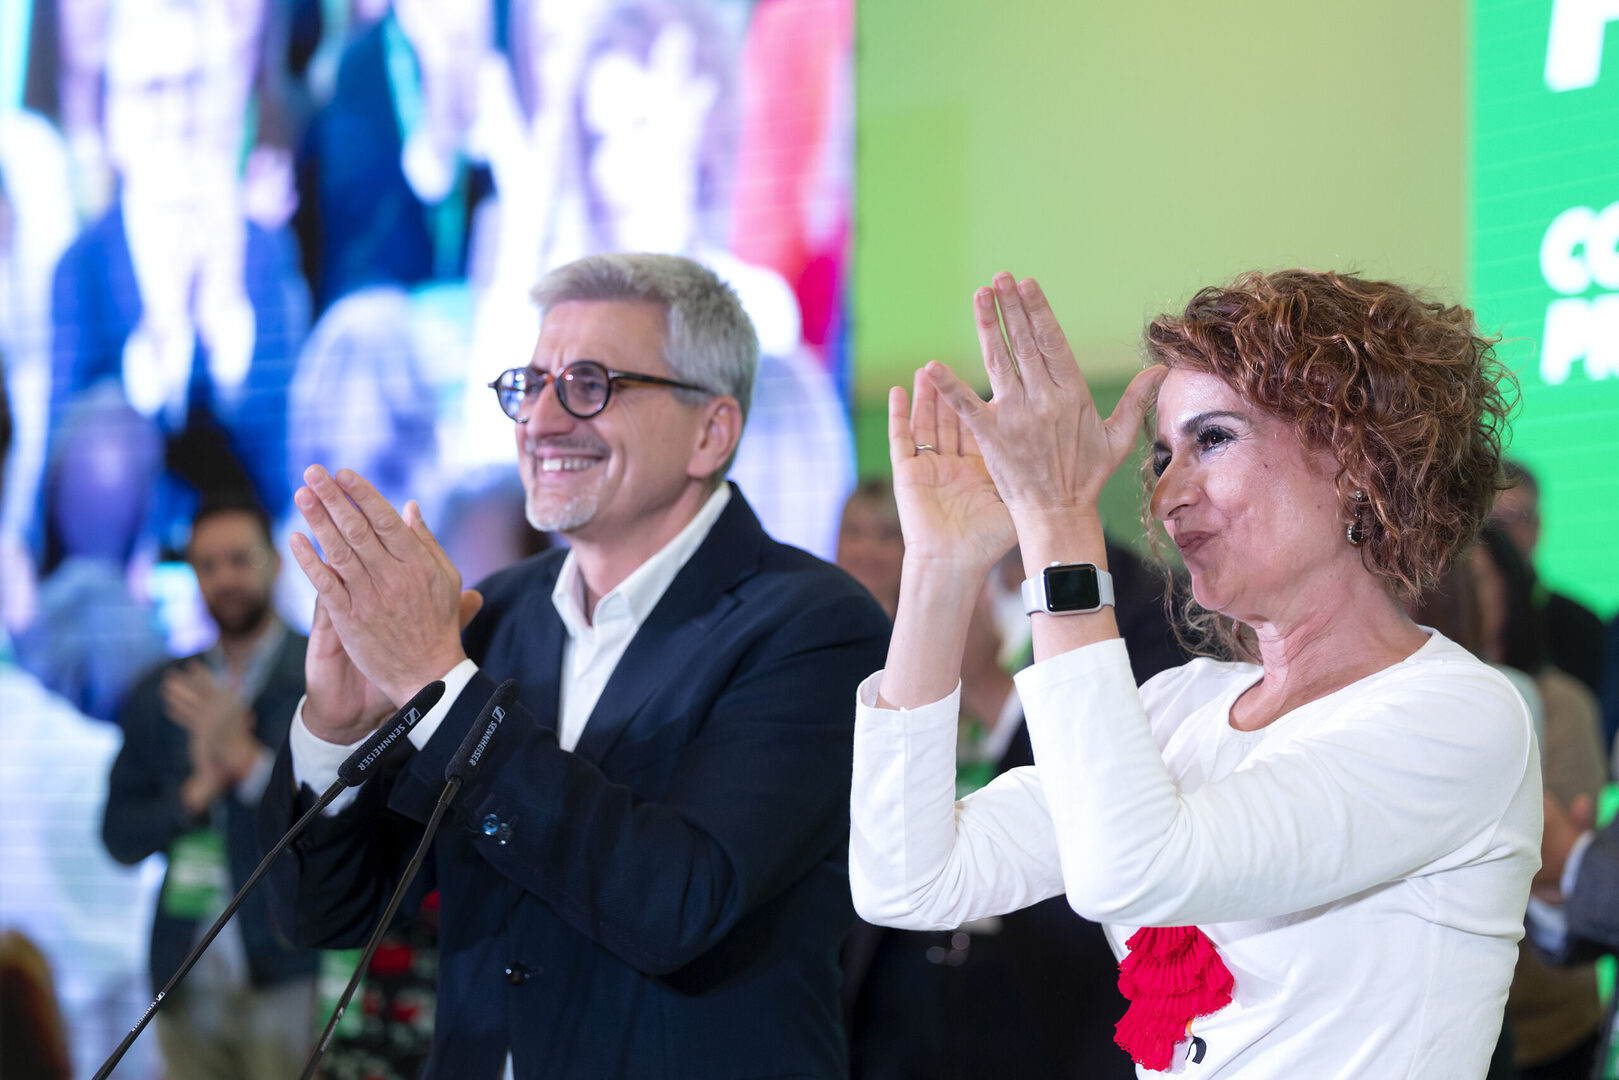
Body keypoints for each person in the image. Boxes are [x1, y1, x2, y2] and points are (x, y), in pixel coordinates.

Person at [851, 269, 1540, 1078]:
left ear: (1355, 460)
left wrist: (1060, 527)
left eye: (1211, 439)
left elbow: (1138, 871)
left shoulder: (1457, 715)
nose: (1167, 495)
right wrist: (940, 568)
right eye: (1162, 455)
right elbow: (910, 881)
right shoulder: (1178, 704)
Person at [258, 252, 889, 1078]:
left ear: (710, 432)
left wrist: (440, 688)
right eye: (530, 385)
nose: (541, 421)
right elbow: (323, 914)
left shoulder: (815, 626)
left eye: (589, 385)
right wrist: (335, 733)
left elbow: (677, 904)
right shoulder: (492, 616)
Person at [103, 493, 318, 1079]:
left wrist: (248, 764)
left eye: (239, 560)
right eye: (207, 565)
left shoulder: (322, 675)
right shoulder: (164, 690)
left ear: (274, 561)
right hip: (183, 972)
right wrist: (195, 792)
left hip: (287, 965)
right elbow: (118, 836)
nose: (224, 579)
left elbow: (347, 822)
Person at [1492, 461, 1606, 705]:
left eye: (1514, 517)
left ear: (1537, 527)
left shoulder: (1582, 625)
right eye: (1492, 521)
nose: (1502, 534)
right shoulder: (1450, 616)